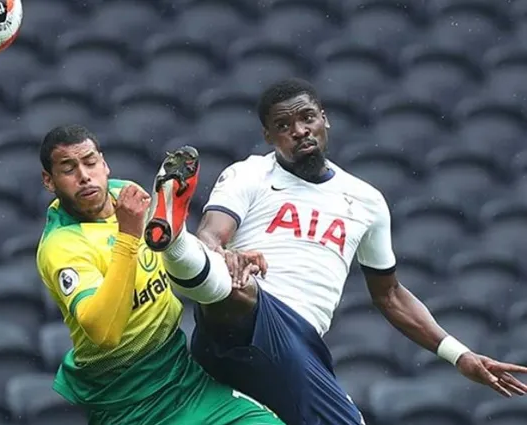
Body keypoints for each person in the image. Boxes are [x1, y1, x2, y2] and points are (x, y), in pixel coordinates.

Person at [143, 78, 527, 425]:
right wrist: (223, 252)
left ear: (325, 119)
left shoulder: (366, 200)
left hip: (295, 344)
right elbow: (212, 234)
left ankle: (174, 240)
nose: (299, 131)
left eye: (307, 118)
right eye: (283, 126)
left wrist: (460, 355)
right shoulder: (251, 174)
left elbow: (389, 295)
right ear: (268, 136)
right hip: (242, 314)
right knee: (237, 286)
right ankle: (171, 234)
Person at [35, 124, 285, 425]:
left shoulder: (124, 195)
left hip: (183, 378)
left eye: (90, 162)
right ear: (49, 181)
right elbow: (105, 332)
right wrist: (128, 235)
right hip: (128, 403)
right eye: (68, 169)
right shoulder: (61, 247)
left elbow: (170, 251)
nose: (84, 176)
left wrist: (224, 258)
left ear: (104, 164)